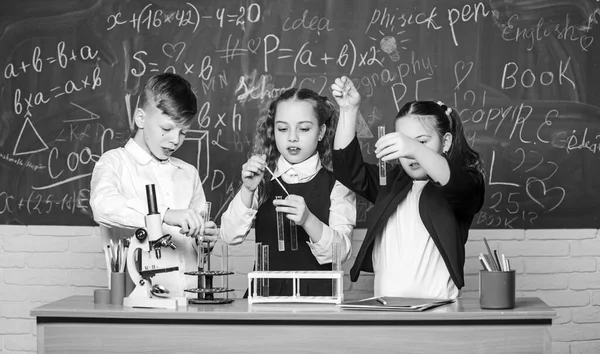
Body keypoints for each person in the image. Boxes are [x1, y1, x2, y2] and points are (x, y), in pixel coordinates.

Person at [330, 76, 485, 300]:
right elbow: (347, 170)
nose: (411, 153)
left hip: (439, 313)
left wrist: (414, 148)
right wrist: (348, 110)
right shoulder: (391, 182)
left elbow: (457, 185)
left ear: (447, 142)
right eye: (404, 142)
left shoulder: (465, 181)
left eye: (422, 141)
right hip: (387, 312)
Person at [90, 73, 217, 298]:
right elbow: (103, 205)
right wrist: (164, 215)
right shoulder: (115, 163)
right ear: (140, 118)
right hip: (136, 304)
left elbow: (197, 251)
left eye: (183, 132)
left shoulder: (188, 173)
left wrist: (204, 240)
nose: (175, 140)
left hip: (190, 301)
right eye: (167, 129)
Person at [220, 87, 356, 296]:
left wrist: (309, 220)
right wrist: (247, 190)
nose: (292, 138)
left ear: (320, 132)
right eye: (283, 129)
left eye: (303, 129)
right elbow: (229, 236)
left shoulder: (338, 184)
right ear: (273, 132)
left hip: (317, 302)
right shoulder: (261, 179)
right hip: (263, 298)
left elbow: (342, 252)